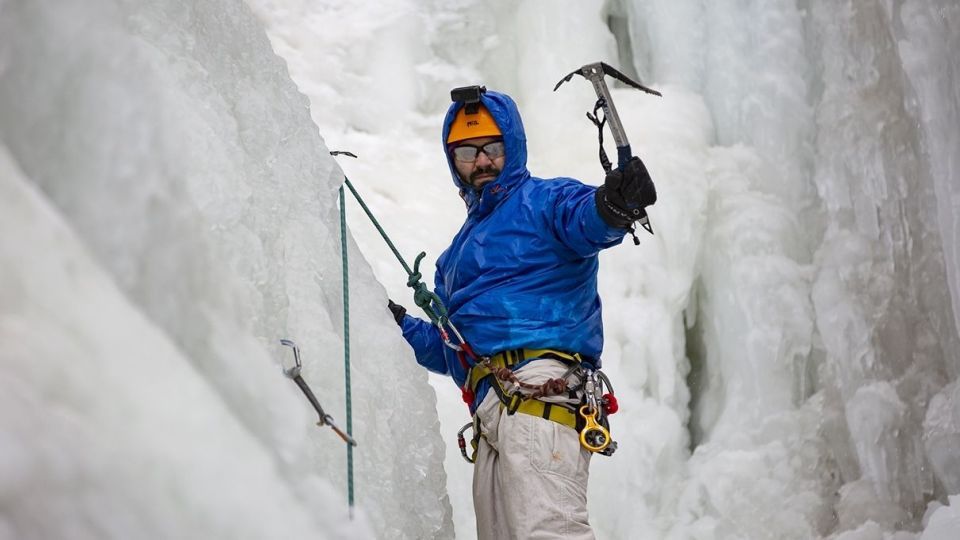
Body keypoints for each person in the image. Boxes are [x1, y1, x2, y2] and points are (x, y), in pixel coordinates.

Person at [388, 88, 656, 539]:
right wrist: (396, 327)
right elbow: (454, 348)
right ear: (453, 160)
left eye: (492, 148)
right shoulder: (452, 258)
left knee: (547, 533)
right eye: (467, 153)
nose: (482, 161)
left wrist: (614, 206)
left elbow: (587, 221)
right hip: (494, 408)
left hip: (539, 390)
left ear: (511, 149)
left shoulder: (546, 201)